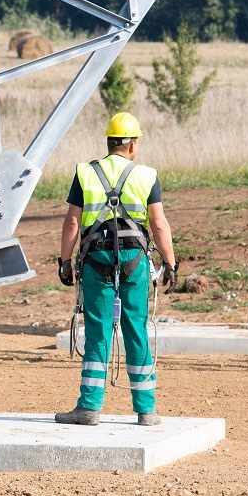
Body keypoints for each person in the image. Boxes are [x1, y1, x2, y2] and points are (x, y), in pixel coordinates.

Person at [55, 113, 178, 426]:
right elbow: (159, 224)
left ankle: (89, 408)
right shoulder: (146, 175)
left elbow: (72, 221)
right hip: (134, 260)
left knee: (98, 331)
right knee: (135, 328)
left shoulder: (85, 173)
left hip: (96, 260)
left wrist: (65, 260)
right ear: (133, 145)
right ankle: (146, 410)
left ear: (108, 142)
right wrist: (170, 263)